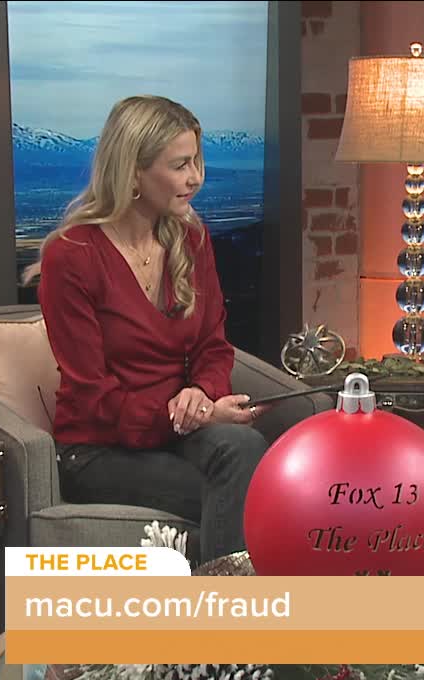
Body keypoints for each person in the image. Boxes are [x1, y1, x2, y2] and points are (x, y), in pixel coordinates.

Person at [23, 95, 268, 563]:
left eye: (197, 161)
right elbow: (93, 395)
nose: (196, 178)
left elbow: (213, 345)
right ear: (133, 172)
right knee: (245, 489)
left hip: (178, 431)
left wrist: (202, 393)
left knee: (245, 449)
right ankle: (230, 605)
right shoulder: (71, 256)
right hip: (100, 448)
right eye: (180, 165)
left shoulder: (191, 238)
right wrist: (189, 416)